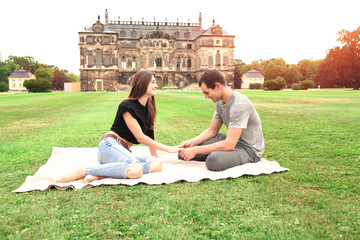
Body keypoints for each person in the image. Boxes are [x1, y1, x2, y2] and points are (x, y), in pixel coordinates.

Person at [58, 71, 180, 183]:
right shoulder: (127, 105)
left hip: (123, 153)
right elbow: (140, 138)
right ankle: (84, 170)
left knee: (157, 164)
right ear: (142, 84)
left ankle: (104, 174)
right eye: (152, 82)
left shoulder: (149, 108)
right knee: (136, 170)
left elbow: (150, 135)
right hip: (109, 146)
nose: (156, 85)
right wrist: (168, 149)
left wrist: (154, 157)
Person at [178, 69, 265, 171]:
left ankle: (219, 154)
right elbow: (212, 131)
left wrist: (196, 150)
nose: (206, 97)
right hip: (231, 140)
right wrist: (192, 143)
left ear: (218, 86)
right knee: (183, 153)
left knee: (213, 161)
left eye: (207, 93)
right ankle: (218, 152)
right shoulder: (220, 103)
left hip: (248, 148)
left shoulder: (239, 104)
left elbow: (229, 144)